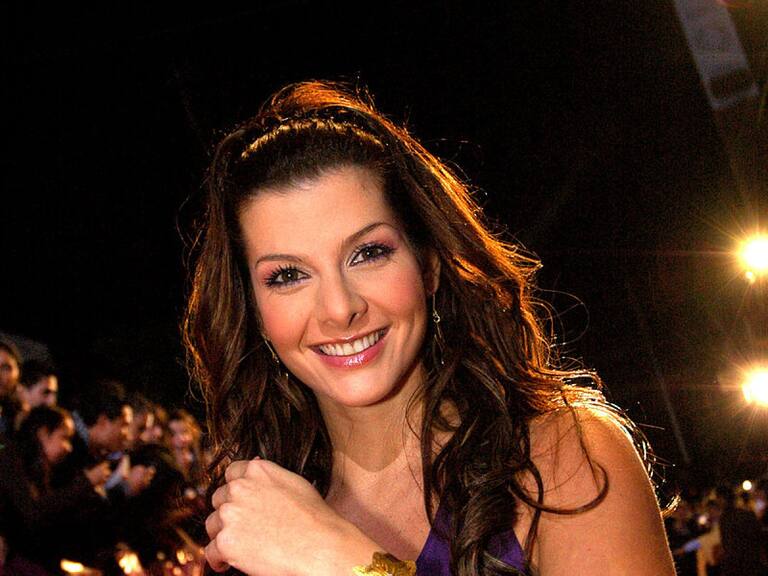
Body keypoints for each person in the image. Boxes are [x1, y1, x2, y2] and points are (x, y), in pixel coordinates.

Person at [184, 81, 675, 575]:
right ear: (255, 312)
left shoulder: (563, 457)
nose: (339, 309)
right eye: (288, 276)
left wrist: (338, 560)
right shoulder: (254, 525)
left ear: (430, 265)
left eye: (368, 253)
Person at [0, 405, 105, 573]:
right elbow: (33, 512)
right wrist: (86, 483)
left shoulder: (42, 470)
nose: (68, 447)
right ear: (43, 433)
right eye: (64, 438)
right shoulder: (10, 458)